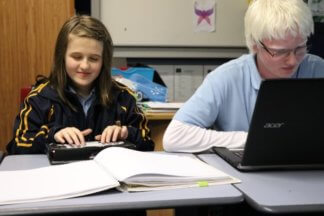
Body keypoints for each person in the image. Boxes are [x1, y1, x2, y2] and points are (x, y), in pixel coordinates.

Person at [163, 0, 324, 153]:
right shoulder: (226, 77)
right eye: (280, 52)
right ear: (255, 44)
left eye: (300, 48)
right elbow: (175, 136)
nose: (293, 60)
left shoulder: (319, 69)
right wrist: (252, 140)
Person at [7, 15, 154, 154]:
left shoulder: (123, 97)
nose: (84, 65)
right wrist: (52, 135)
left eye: (94, 59)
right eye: (76, 57)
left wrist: (126, 132)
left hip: (108, 178)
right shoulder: (39, 98)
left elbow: (148, 142)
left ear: (104, 61)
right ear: (62, 56)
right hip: (56, 177)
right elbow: (18, 145)